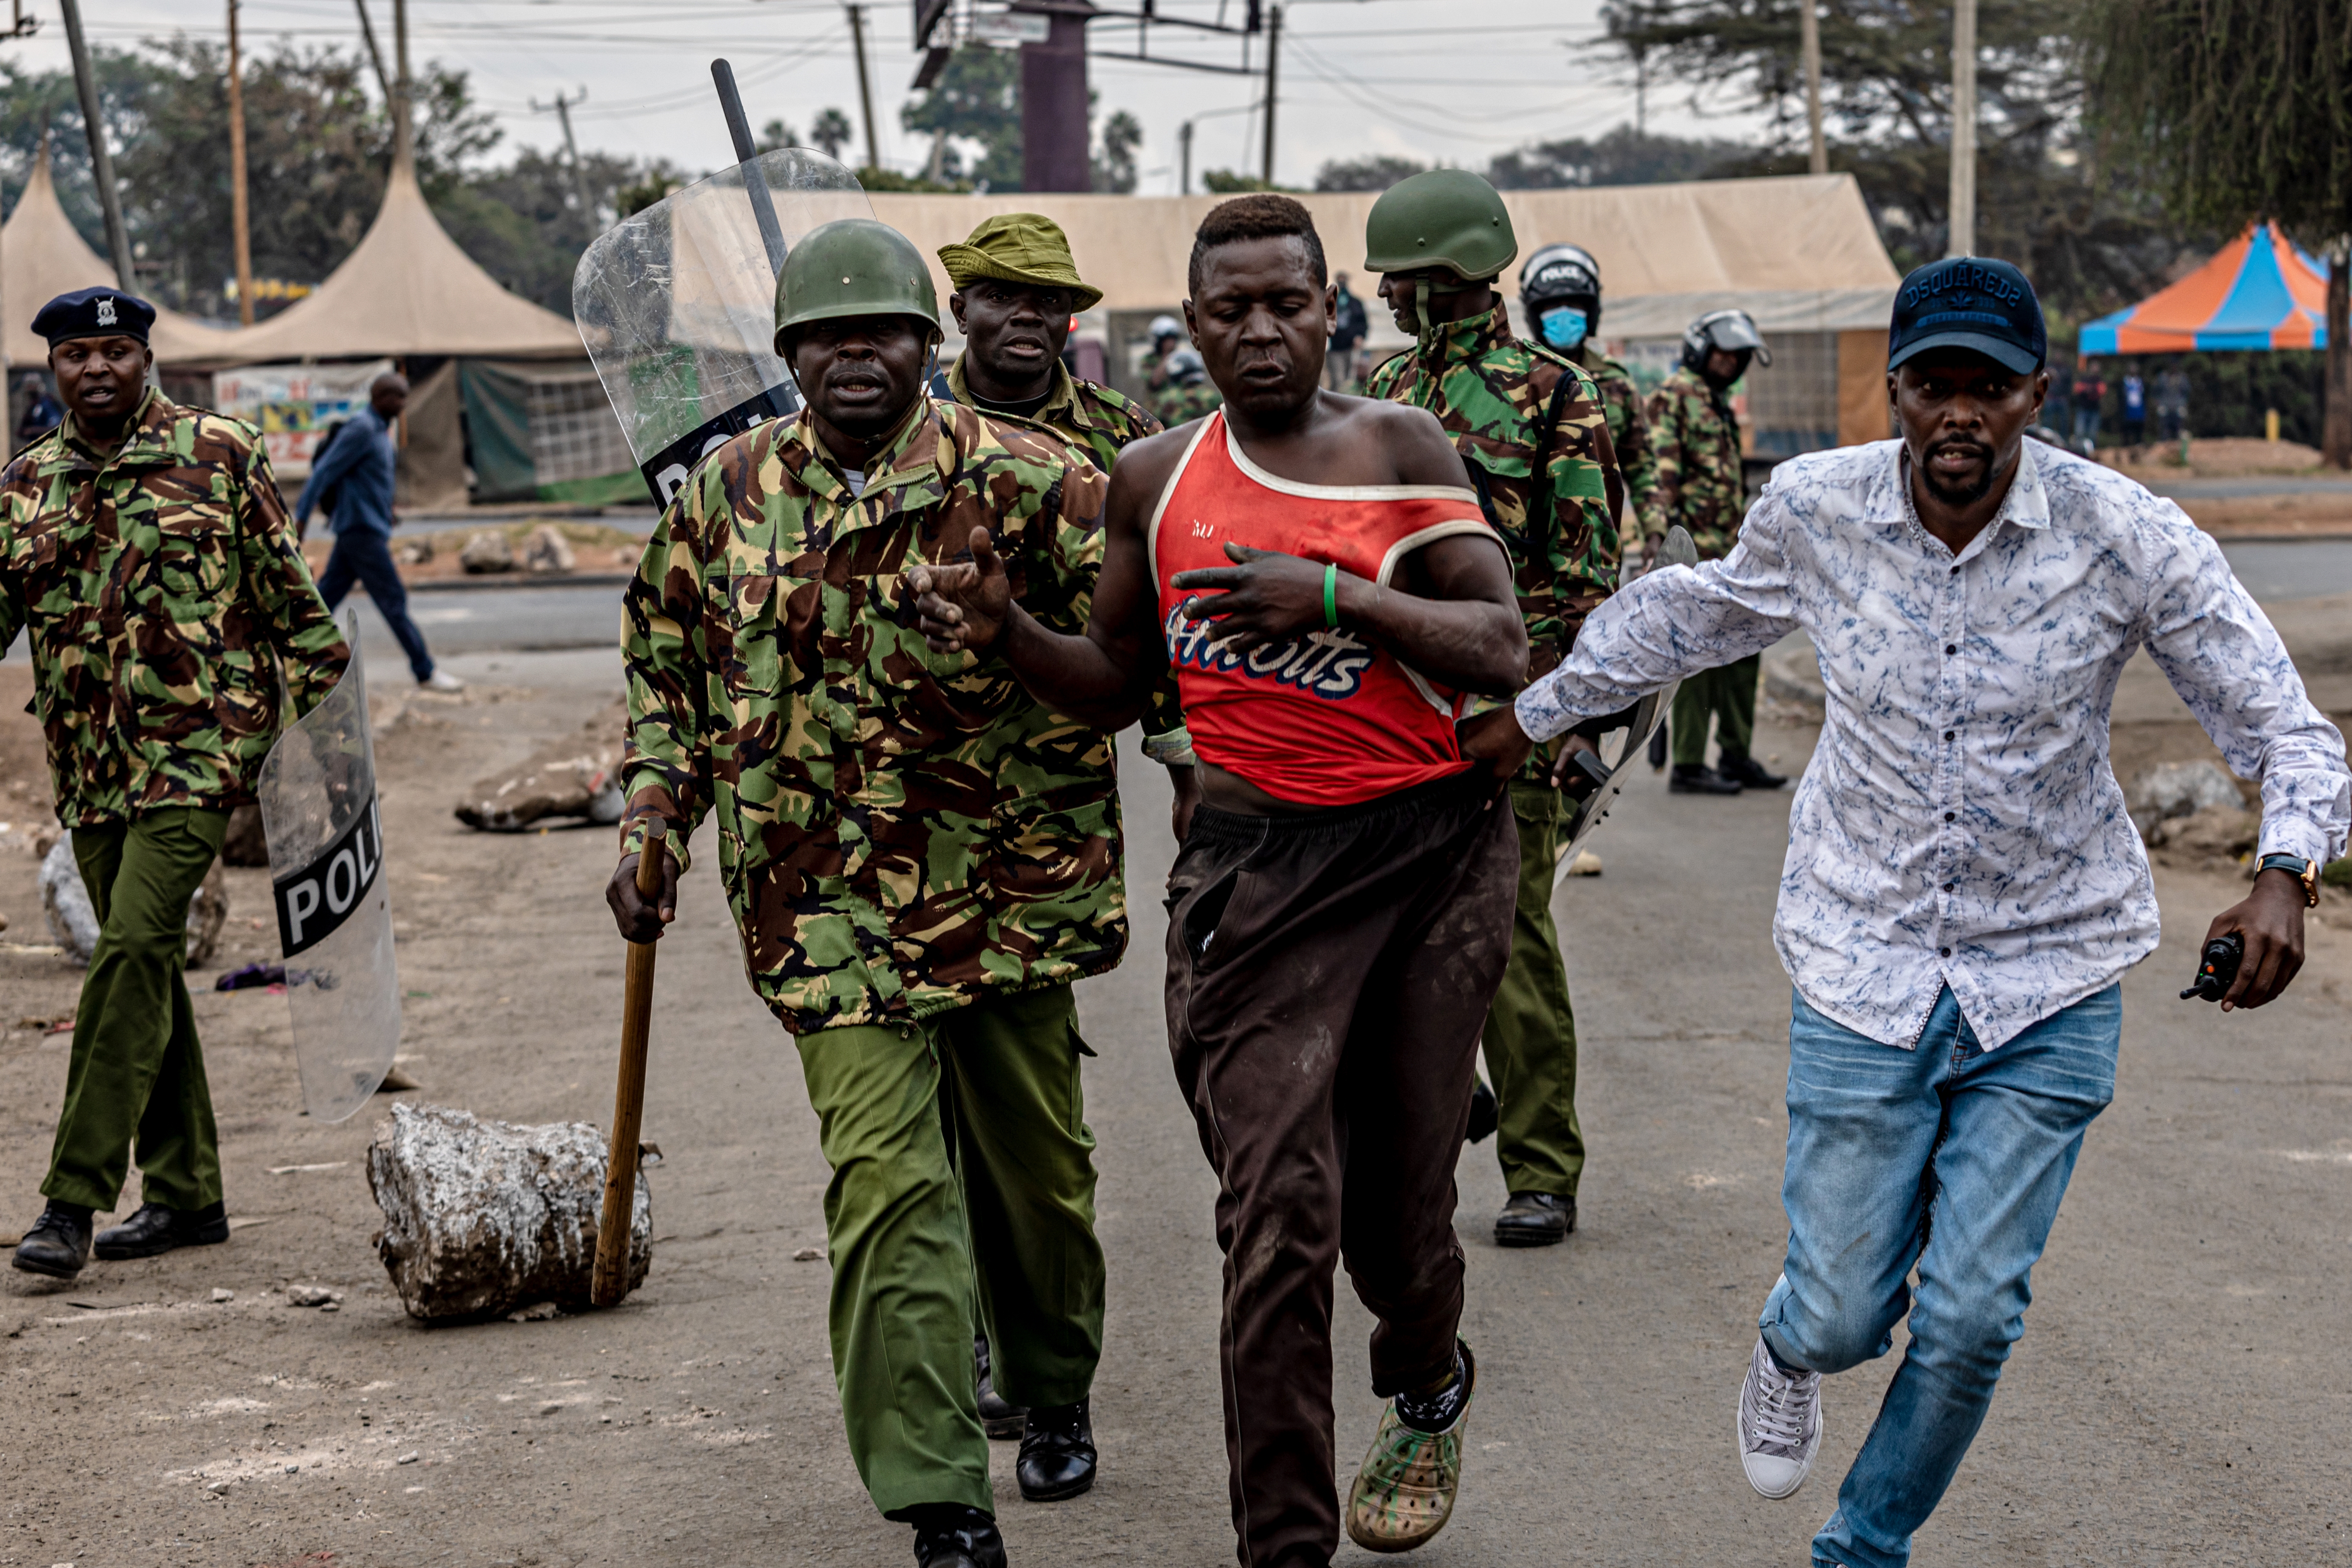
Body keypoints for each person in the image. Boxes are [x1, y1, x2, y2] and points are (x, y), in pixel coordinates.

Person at [1493, 256, 2349, 1568]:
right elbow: (1695, 613)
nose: (1959, 416)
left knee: (1968, 1317)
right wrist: (1529, 715)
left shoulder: (2123, 532)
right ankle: (1790, 1344)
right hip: (1863, 952)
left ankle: (1863, 1545)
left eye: (1988, 390)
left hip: (2050, 967)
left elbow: (2277, 721)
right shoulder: (1815, 510)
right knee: (1841, 1312)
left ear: (2035, 395)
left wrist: (2283, 873)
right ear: (1893, 389)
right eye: (1930, 385)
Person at [909, 192, 1529, 1568]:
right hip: (1254, 872)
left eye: (1285, 303)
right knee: (1277, 1215)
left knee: (1397, 1213)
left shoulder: (1393, 450)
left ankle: (1424, 1371)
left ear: (1328, 312)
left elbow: (1500, 644)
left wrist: (1340, 600)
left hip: (1428, 855)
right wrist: (1007, 625)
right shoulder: (1151, 478)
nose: (1259, 331)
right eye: (1229, 308)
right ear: (1188, 325)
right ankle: (1286, 1546)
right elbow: (1113, 685)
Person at [607, 218, 1117, 1568]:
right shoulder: (718, 501)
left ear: (922, 344)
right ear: (788, 354)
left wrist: (1031, 646)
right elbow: (669, 681)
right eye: (826, 337)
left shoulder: (1033, 482)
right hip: (819, 908)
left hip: (1005, 893)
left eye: (881, 333)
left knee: (1036, 1184)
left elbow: (1132, 655)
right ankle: (941, 1497)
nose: (854, 358)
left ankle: (1052, 1385)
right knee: (886, 1189)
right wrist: (650, 813)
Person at [4, 287, 349, 1280]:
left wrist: (335, 776)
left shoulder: (220, 454)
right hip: (92, 773)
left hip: (200, 758)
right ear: (53, 372)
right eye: (77, 355)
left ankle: (70, 1199)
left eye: (116, 350)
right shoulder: (23, 488)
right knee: (142, 967)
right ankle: (189, 1194)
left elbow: (297, 614)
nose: (98, 369)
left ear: (146, 358)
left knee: (131, 951)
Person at [935, 209, 1167, 1443]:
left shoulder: (1123, 439)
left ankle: (1045, 1361)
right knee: (930, 1116)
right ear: (959, 305)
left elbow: (1162, 627)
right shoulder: (899, 438)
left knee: (1033, 1132)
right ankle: (986, 1338)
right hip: (903, 816)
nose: (1025, 320)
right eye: (1001, 299)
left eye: (1047, 304)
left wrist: (1185, 757)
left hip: (1046, 817)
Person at [1360, 175, 1621, 1250]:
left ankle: (1542, 1166)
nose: (1379, 289)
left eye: (1394, 275)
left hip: (1505, 717)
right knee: (1376, 938)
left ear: (1437, 277)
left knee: (1509, 946)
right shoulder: (1378, 389)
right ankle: (1447, 1092)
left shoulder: (1557, 393)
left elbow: (1585, 576)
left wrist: (1548, 722)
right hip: (1386, 713)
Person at [1648, 308, 1783, 796]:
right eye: (1722, 353)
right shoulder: (1675, 397)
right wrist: (1661, 553)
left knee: (1744, 648)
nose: (1729, 363)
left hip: (1728, 550)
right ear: (1700, 350)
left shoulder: (1715, 401)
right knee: (1697, 657)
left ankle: (1734, 752)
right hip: (1693, 553)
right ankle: (1687, 763)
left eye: (1737, 357)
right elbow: (1660, 480)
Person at [293, 373, 464, 693]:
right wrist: (301, 518)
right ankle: (425, 670)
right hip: (361, 531)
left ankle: (285, 651)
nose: (403, 404)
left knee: (325, 597)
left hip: (364, 527)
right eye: (398, 397)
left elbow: (370, 480)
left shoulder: (379, 431)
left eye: (405, 397)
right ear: (380, 397)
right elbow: (324, 471)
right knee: (393, 600)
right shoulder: (360, 429)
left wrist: (387, 511)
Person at [1519, 241, 1664, 572]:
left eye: (1575, 304)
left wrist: (1655, 533)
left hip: (1601, 554)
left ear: (1593, 310)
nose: (1565, 313)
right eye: (1553, 305)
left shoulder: (1616, 382)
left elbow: (1642, 465)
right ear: (1534, 313)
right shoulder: (1512, 379)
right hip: (1528, 560)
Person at [1327, 270, 1368, 390]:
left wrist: (1360, 336)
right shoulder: (1332, 303)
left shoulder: (1355, 303)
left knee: (1352, 381)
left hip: (1352, 349)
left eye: (1343, 279)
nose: (1342, 282)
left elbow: (1363, 322)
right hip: (1336, 349)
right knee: (1339, 381)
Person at [1141, 311, 1185, 399]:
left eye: (1174, 339)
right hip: (1157, 405)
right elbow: (1155, 382)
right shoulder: (1149, 360)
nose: (1172, 343)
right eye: (1167, 339)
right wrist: (1168, 356)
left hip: (1177, 405)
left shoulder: (1181, 358)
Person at [15, 371, 61, 452]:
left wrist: (32, 431)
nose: (29, 388)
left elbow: (56, 427)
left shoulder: (47, 403)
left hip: (47, 450)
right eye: (27, 385)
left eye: (31, 385)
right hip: (33, 450)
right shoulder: (32, 405)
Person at [2121, 367, 2147, 458]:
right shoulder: (2125, 382)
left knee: (2138, 434)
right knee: (2127, 434)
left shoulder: (2140, 382)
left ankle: (2139, 454)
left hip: (2139, 412)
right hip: (2128, 412)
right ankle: (2127, 453)